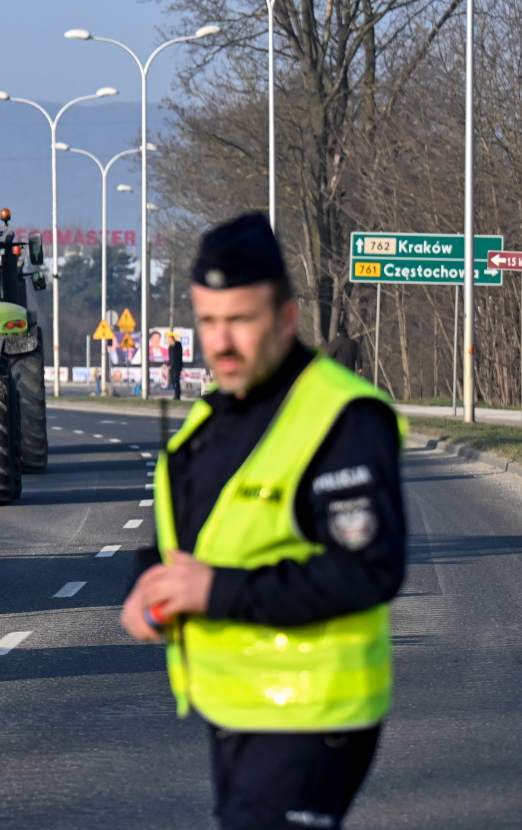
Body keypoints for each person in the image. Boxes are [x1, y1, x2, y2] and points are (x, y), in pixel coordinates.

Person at [120, 212, 405, 830]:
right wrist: (149, 585)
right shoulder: (217, 416)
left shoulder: (342, 416)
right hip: (239, 709)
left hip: (311, 713)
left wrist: (214, 591)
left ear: (285, 318)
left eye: (241, 321)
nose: (221, 342)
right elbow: (202, 536)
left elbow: (368, 568)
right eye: (209, 322)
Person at [168, 332, 184, 400]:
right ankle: (176, 393)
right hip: (172, 366)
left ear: (173, 340)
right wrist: (169, 364)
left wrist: (174, 346)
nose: (170, 341)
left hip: (177, 366)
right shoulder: (170, 347)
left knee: (176, 379)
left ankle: (177, 395)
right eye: (169, 340)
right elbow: (170, 357)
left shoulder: (178, 345)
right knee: (172, 380)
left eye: (171, 340)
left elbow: (178, 354)